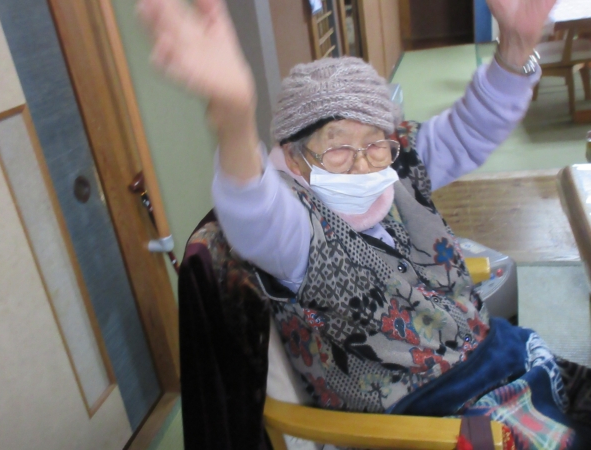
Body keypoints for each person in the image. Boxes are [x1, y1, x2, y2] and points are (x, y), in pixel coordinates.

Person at [138, 0, 591, 447]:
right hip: (434, 414)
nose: (361, 165)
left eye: (375, 143)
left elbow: (468, 130)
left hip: (498, 355)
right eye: (337, 149)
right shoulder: (296, 233)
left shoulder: (393, 166)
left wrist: (514, 49)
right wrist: (233, 119)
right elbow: (254, 211)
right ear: (292, 157)